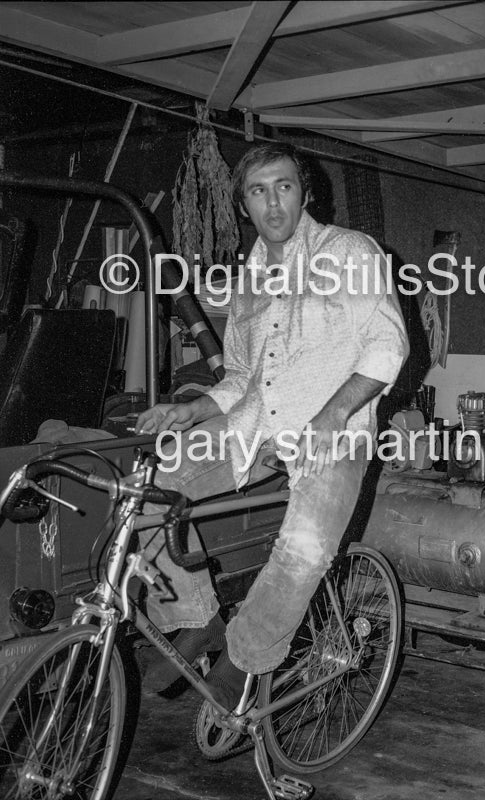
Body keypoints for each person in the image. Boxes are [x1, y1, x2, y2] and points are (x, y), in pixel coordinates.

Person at [135, 141, 409, 710]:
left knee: (304, 549)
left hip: (335, 434)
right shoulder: (249, 280)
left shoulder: (350, 251)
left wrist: (331, 415)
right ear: (244, 206)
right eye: (258, 192)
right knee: (149, 488)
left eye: (284, 186)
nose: (274, 202)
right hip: (256, 426)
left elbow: (388, 347)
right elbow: (241, 375)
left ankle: (245, 657)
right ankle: (197, 618)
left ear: (305, 192)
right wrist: (192, 410)